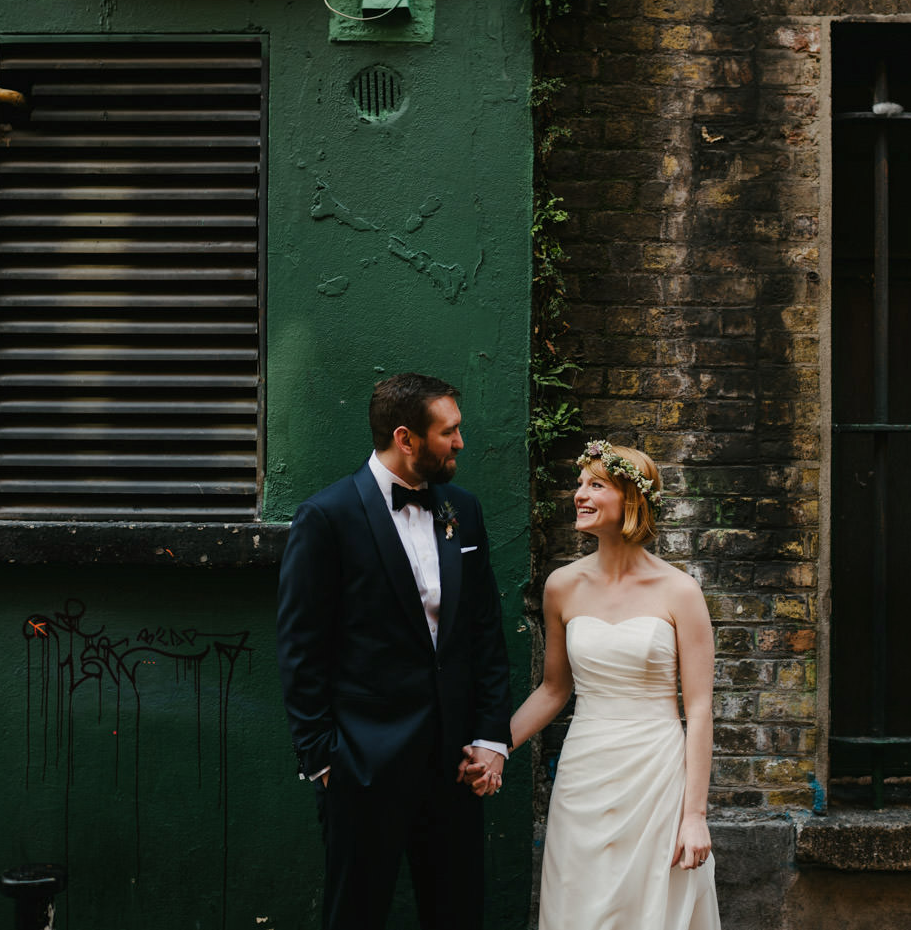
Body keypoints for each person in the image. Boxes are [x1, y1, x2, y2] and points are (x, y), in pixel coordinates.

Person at [275, 372, 513, 930]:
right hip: (363, 765)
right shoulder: (327, 516)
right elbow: (300, 647)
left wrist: (491, 738)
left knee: (457, 915)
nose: (460, 442)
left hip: (456, 764)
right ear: (405, 438)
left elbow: (484, 631)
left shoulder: (463, 510)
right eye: (448, 432)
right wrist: (323, 759)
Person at [469, 440, 720, 929]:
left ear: (631, 497)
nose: (579, 495)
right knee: (580, 904)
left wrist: (695, 815)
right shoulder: (562, 586)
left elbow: (699, 709)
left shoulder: (681, 592)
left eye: (596, 485)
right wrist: (496, 747)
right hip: (585, 771)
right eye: (579, 484)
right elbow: (553, 690)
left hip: (656, 774)